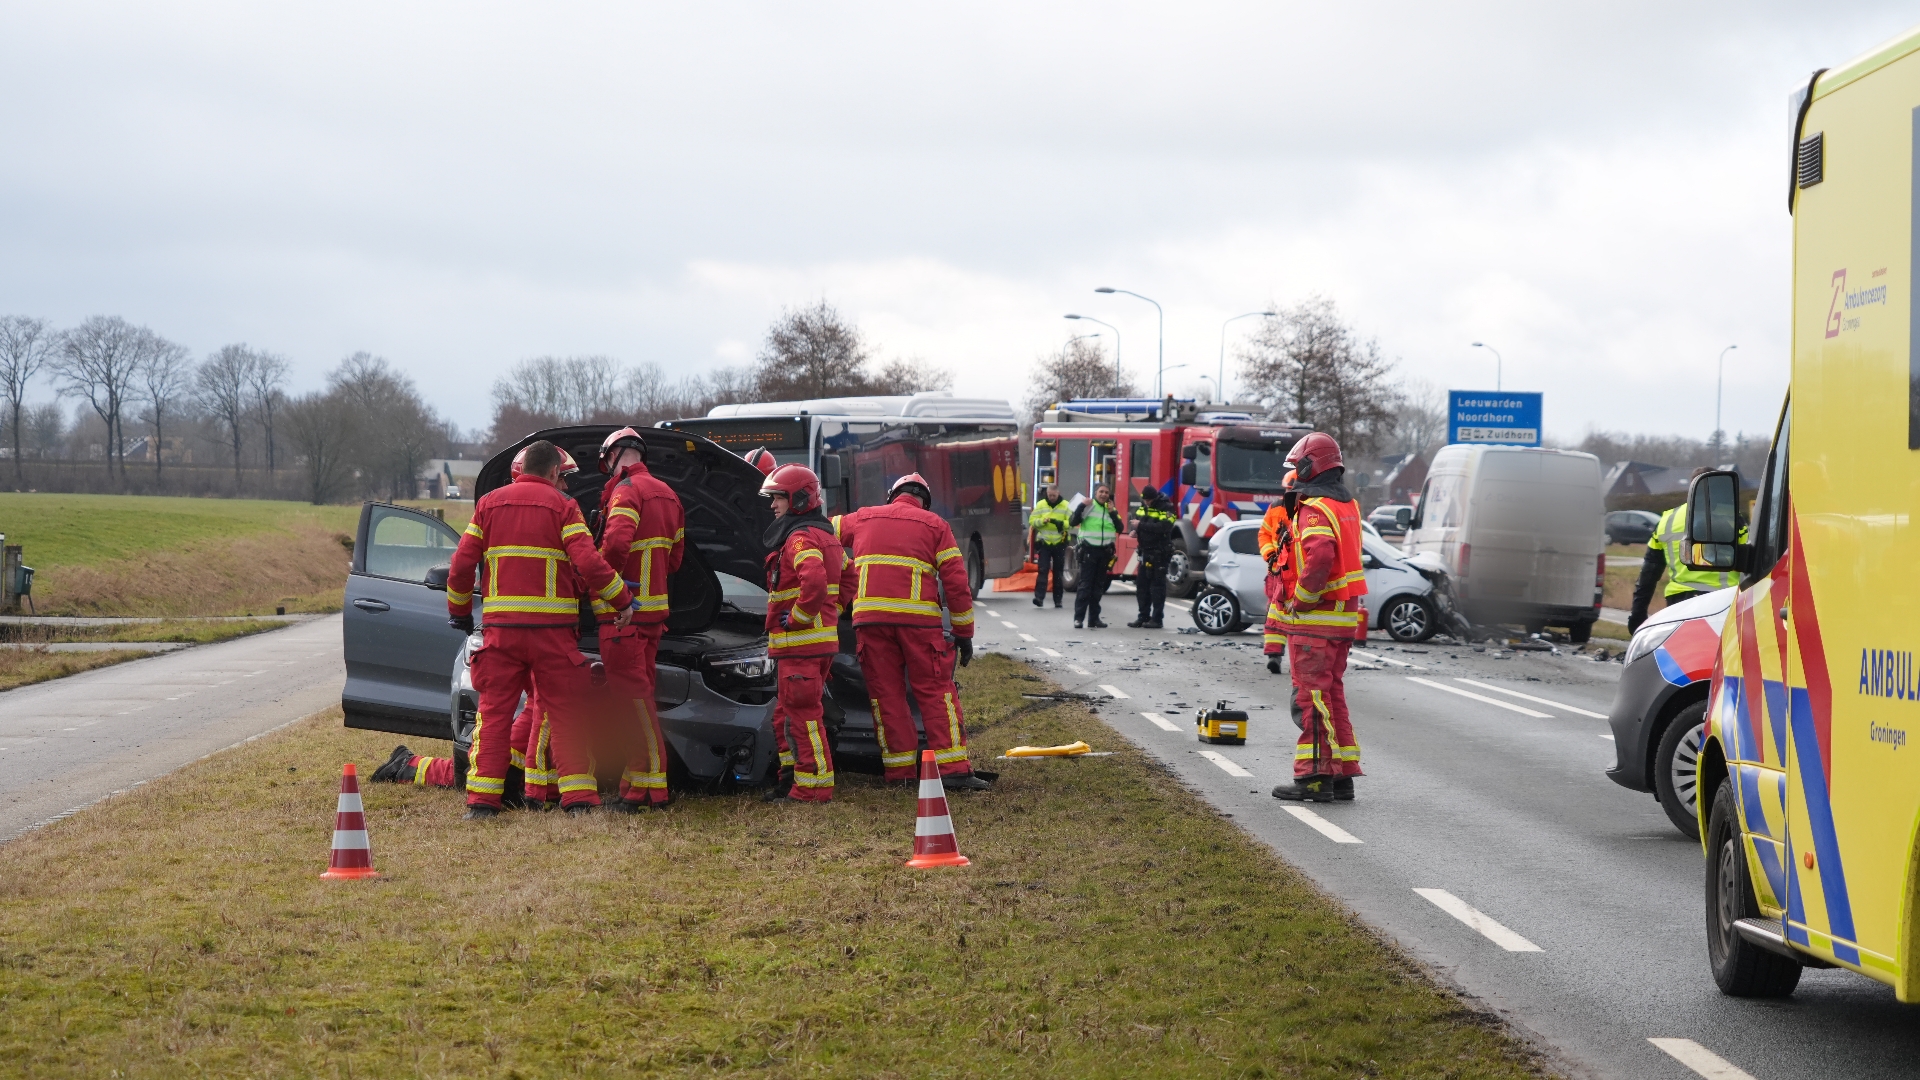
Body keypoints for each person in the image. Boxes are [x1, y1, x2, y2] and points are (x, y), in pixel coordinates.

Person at [448, 439, 634, 819]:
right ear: (553, 471)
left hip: (501, 634)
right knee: (566, 715)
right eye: (562, 477)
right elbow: (589, 563)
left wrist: (460, 612)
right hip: (552, 635)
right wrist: (623, 601)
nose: (564, 484)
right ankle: (578, 801)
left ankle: (482, 804)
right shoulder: (564, 507)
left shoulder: (488, 505)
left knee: (493, 715)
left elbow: (462, 565)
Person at [834, 473, 988, 789]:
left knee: (886, 697)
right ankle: (954, 771)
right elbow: (957, 582)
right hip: (920, 626)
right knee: (935, 693)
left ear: (892, 496)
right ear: (924, 502)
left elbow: (821, 532)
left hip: (870, 623)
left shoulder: (863, 517)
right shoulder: (935, 526)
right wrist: (964, 632)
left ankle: (900, 773)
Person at [1270, 432, 1368, 804]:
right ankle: (1341, 776)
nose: (1296, 473)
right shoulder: (1347, 504)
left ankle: (1313, 777)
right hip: (1341, 618)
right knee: (1331, 695)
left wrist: (1302, 598)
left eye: (1298, 466)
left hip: (1315, 620)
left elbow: (1321, 555)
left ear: (1312, 465)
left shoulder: (1315, 508)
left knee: (1309, 698)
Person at [593, 426, 685, 810]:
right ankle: (637, 782)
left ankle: (647, 791)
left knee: (633, 705)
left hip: (623, 617)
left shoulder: (626, 491)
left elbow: (616, 544)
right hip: (652, 617)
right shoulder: (670, 495)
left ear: (612, 457)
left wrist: (603, 583)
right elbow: (676, 560)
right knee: (639, 700)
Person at [759, 464, 845, 802]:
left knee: (803, 717)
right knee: (787, 715)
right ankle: (790, 780)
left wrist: (798, 617)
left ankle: (813, 788)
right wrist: (832, 612)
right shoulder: (825, 536)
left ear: (797, 499)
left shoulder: (799, 538)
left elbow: (816, 582)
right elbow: (849, 576)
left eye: (778, 498)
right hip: (811, 647)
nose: (772, 505)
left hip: (801, 646)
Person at [1628, 468, 1741, 633]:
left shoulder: (1668, 520)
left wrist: (1637, 613)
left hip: (1679, 603)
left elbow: (1649, 574)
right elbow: (1753, 566)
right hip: (1722, 603)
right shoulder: (1733, 521)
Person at [1256, 473, 1298, 674]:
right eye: (1288, 490)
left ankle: (1298, 659)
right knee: (1274, 614)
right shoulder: (1275, 508)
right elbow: (1264, 534)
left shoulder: (1309, 510)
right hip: (1277, 572)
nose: (1289, 493)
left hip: (1296, 573)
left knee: (1297, 615)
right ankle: (1274, 655)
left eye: (1292, 490)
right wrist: (1270, 555)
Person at [1070, 484, 1122, 630]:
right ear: (1095, 493)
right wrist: (1081, 506)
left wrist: (1112, 512)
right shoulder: (1089, 506)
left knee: (1098, 588)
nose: (1104, 494)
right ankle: (1078, 618)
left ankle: (1094, 619)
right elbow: (1073, 522)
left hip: (1104, 553)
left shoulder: (1111, 509)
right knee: (1085, 586)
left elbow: (1120, 528)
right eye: (1101, 492)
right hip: (1089, 551)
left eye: (1106, 492)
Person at [1128, 487, 1179, 629]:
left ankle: (1157, 619)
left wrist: (1141, 526)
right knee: (1142, 586)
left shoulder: (1166, 507)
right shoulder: (1143, 506)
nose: (1147, 502)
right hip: (1145, 551)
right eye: (1145, 500)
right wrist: (1135, 531)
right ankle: (1143, 616)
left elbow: (1164, 527)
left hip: (1160, 552)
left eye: (1149, 500)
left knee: (1157, 587)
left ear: (1155, 498)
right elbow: (1139, 522)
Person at [1029, 483, 1072, 609]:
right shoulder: (1041, 504)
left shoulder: (1066, 505)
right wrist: (1042, 521)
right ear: (1046, 493)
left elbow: (1071, 523)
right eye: (1049, 495)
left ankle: (1058, 600)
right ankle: (1039, 598)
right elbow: (1032, 521)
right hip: (1045, 542)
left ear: (1058, 493)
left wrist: (1060, 523)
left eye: (1054, 495)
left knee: (1058, 572)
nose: (1051, 497)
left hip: (1060, 542)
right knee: (1043, 570)